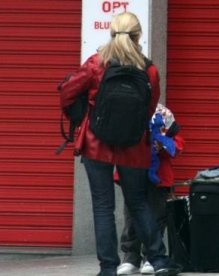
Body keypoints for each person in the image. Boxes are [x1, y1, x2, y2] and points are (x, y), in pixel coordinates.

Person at [59, 12, 182, 276]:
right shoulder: (149, 70)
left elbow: (67, 92)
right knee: (138, 202)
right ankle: (159, 261)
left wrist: (83, 116)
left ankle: (108, 268)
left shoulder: (96, 63)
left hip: (96, 144)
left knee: (103, 207)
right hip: (134, 145)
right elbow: (150, 108)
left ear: (112, 33)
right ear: (138, 36)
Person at [116, 104, 185, 275]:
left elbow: (177, 142)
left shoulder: (163, 113)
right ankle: (130, 257)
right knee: (131, 216)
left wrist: (164, 147)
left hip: (158, 175)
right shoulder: (128, 110)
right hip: (131, 170)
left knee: (156, 216)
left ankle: (150, 257)